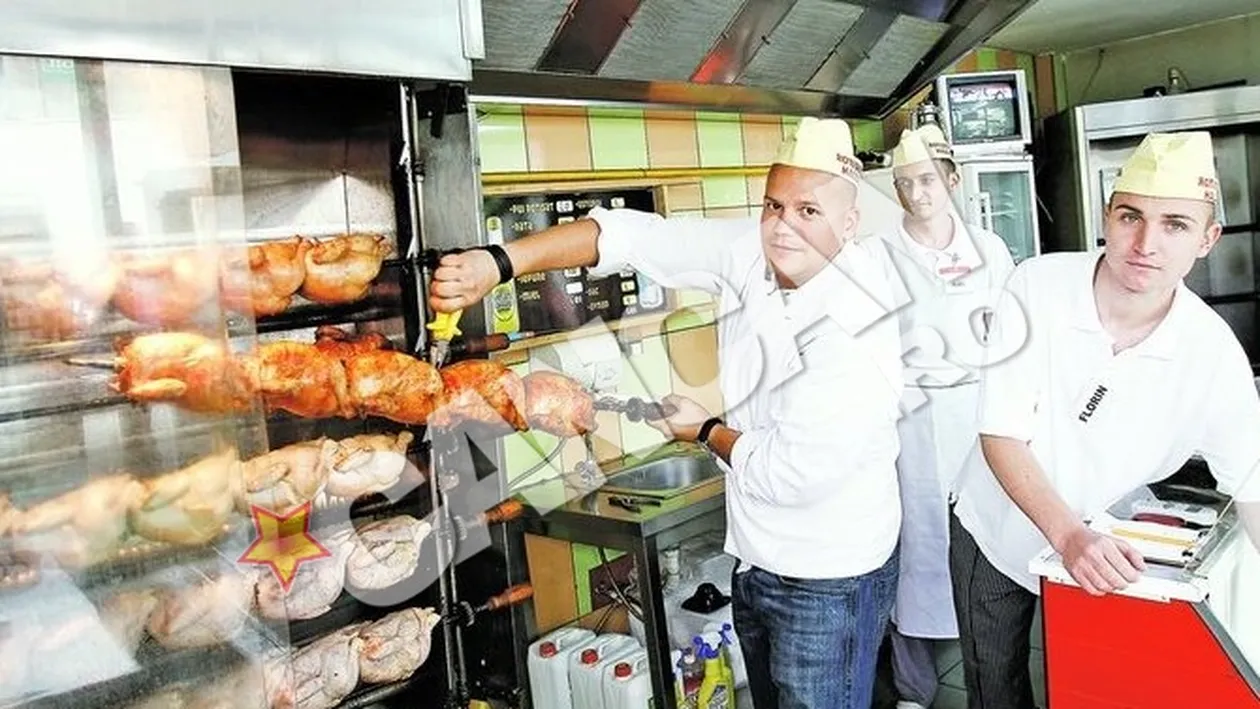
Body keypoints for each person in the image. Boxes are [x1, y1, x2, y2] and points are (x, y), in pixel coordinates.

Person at [429, 117, 907, 709]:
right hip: (758, 558)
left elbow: (791, 473)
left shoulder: (854, 324)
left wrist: (704, 430)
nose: (783, 227)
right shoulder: (752, 251)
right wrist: (497, 264)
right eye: (773, 205)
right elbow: (625, 235)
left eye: (809, 211)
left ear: (850, 222)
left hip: (832, 573)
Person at [950, 131, 1260, 709]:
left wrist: (1080, 543)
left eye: (1175, 224)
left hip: (1105, 550)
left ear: (1207, 239)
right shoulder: (1037, 286)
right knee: (995, 686)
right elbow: (1001, 435)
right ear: (1106, 217)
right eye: (1130, 217)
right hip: (996, 530)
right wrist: (1067, 535)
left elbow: (1252, 485)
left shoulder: (1212, 355)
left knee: (1101, 683)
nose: (1145, 243)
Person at [879, 125, 1015, 709]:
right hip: (908, 420)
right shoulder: (877, 255)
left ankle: (994, 663)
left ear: (953, 181)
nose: (918, 193)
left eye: (928, 180)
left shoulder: (990, 249)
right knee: (913, 546)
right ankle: (914, 687)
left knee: (985, 542)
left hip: (980, 414)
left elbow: (1014, 334)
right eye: (905, 183)